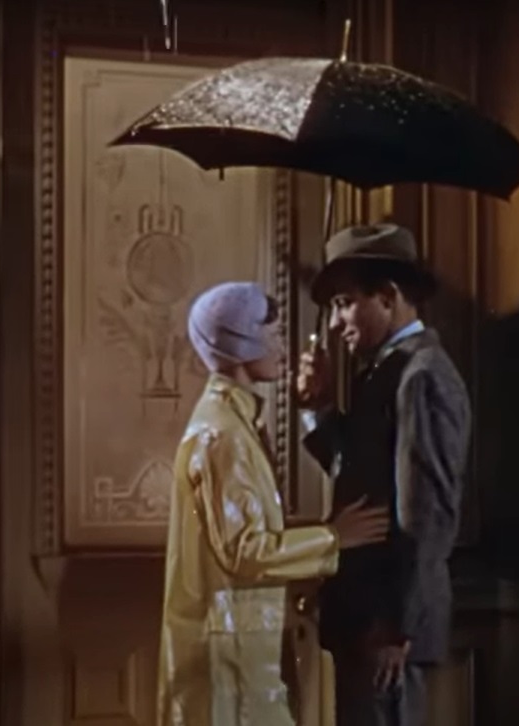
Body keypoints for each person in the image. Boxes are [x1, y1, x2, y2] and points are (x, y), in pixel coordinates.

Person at [157, 281, 392, 726]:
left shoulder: (234, 422)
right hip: (229, 658)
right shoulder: (223, 435)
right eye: (272, 333)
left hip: (240, 646)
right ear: (240, 343)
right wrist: (333, 538)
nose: (284, 347)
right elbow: (245, 550)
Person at [297, 224, 471, 726]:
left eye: (344, 303)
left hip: (385, 627)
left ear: (389, 297)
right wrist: (318, 407)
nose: (336, 323)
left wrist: (398, 626)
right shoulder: (384, 373)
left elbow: (428, 513)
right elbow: (357, 474)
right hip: (365, 619)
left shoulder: (422, 376)